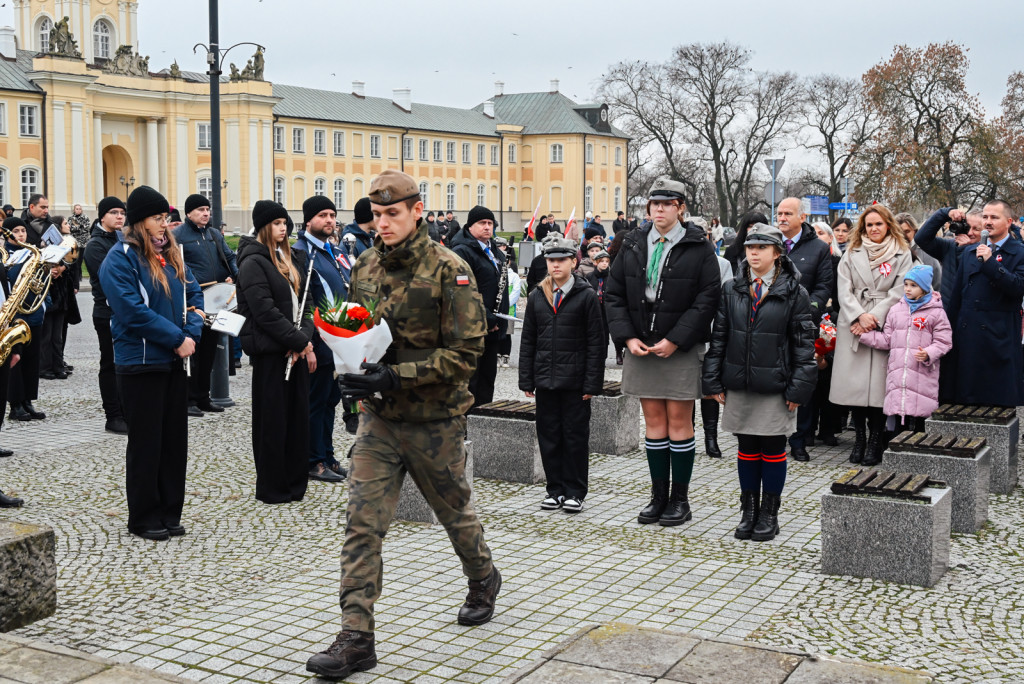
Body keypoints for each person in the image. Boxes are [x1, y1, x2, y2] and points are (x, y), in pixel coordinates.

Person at [307, 170, 499, 680]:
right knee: (362, 525)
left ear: (418, 211)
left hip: (434, 420)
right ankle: (356, 637)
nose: (383, 222)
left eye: (393, 213)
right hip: (381, 420)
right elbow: (356, 332)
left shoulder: (450, 269)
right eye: (377, 213)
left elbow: (467, 356)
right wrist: (355, 382)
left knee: (455, 515)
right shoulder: (365, 266)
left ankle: (483, 578)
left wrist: (397, 375)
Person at [605, 177, 721, 526]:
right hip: (642, 346)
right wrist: (627, 338)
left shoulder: (698, 246)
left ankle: (679, 500)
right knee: (653, 422)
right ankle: (657, 496)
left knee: (679, 422)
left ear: (680, 207)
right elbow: (613, 294)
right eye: (654, 203)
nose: (659, 209)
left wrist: (676, 339)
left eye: (667, 203)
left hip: (679, 348)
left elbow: (707, 299)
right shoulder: (633, 243)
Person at [99, 186, 203, 541]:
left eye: (166, 219)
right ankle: (144, 516)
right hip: (141, 362)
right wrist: (177, 339)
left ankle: (170, 510)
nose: (165, 226)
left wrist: (193, 330)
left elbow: (194, 295)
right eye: (158, 219)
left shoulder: (171, 253)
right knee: (147, 444)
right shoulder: (121, 258)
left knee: (174, 442)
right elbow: (132, 312)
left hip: (173, 361)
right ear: (140, 222)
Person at [702, 224, 816, 541]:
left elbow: (804, 344)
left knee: (773, 448)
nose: (753, 252)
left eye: (761, 247)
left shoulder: (795, 291)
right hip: (739, 382)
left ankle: (769, 513)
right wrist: (712, 380)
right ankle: (748, 511)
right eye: (750, 247)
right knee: (747, 448)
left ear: (777, 253)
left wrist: (799, 387)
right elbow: (719, 337)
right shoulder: (733, 289)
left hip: (776, 384)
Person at [237, 200, 317, 504]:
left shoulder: (291, 258)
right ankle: (272, 487)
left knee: (297, 421)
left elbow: (306, 305)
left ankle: (295, 483)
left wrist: (304, 340)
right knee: (272, 422)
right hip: (271, 353)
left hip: (294, 350)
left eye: (285, 222)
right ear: (263, 226)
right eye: (276, 223)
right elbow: (264, 312)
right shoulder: (252, 261)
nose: (283, 228)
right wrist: (298, 342)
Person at [519, 234, 605, 513]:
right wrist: (526, 378)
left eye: (561, 260)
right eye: (551, 260)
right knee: (549, 435)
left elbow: (596, 342)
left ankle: (575, 490)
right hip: (546, 379)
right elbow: (529, 339)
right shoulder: (537, 296)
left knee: (575, 436)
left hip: (575, 382)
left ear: (573, 262)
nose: (555, 266)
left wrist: (593, 381)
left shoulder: (586, 296)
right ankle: (554, 489)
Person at [829, 205, 913, 466]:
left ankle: (877, 438)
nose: (874, 229)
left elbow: (900, 290)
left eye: (878, 224)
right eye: (869, 225)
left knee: (878, 388)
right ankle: (860, 438)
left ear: (888, 225)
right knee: (855, 387)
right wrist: (858, 316)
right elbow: (843, 288)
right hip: (853, 323)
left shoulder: (902, 253)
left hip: (883, 323)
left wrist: (873, 317)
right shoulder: (852, 253)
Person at [858, 264, 952, 437]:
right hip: (898, 374)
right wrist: (864, 336)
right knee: (898, 413)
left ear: (924, 288)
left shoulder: (937, 312)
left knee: (920, 416)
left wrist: (929, 353)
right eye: (906, 284)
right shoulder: (896, 310)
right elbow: (888, 339)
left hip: (922, 373)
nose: (908, 289)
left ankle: (919, 448)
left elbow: (944, 341)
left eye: (913, 285)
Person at [294, 195, 350, 482]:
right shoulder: (301, 252)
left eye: (332, 215)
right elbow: (304, 301)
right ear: (309, 220)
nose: (329, 220)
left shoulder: (333, 250)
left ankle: (327, 455)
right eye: (323, 216)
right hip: (318, 339)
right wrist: (309, 342)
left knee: (330, 401)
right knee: (315, 402)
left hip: (340, 338)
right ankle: (312, 460)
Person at [947, 200, 1024, 407]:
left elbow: (1018, 288)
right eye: (986, 217)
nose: (988, 222)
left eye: (994, 217)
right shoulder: (969, 253)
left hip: (1000, 336)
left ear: (1008, 222)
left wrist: (991, 264)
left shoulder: (1019, 252)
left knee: (997, 401)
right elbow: (957, 297)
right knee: (967, 399)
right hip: (968, 336)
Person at [775, 197, 834, 463]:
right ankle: (775, 438)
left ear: (802, 217)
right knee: (775, 381)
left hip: (803, 325)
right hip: (772, 325)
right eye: (779, 213)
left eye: (788, 213)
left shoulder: (819, 248)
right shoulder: (770, 242)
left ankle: (800, 440)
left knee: (803, 381)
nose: (782, 218)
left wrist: (809, 308)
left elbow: (824, 286)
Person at [172, 194, 237, 417]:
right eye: (200, 209)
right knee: (193, 352)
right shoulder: (178, 235)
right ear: (189, 213)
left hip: (216, 302)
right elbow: (174, 266)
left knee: (210, 350)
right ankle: (188, 399)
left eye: (207, 209)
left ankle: (203, 396)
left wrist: (235, 277)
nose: (206, 213)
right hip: (192, 303)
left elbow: (229, 258)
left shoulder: (213, 234)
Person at [450, 205, 509, 407]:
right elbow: (462, 293)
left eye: (490, 223)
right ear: (470, 226)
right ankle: (466, 425)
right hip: (471, 330)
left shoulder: (495, 252)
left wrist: (499, 320)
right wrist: (487, 318)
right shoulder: (461, 251)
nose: (487, 227)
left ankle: (483, 422)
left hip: (492, 328)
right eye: (482, 223)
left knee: (487, 380)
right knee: (470, 381)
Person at [84, 197, 129, 433]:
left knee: (124, 363)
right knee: (110, 364)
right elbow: (109, 278)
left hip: (124, 311)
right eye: (114, 212)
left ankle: (125, 410)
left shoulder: (122, 238)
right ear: (102, 217)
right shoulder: (95, 245)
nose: (120, 216)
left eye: (122, 212)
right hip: (106, 312)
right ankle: (113, 415)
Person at [5, 218, 45, 422]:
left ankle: (28, 400)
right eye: (16, 231)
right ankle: (15, 404)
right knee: (15, 361)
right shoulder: (5, 254)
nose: (21, 234)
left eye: (23, 230)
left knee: (32, 360)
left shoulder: (32, 253)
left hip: (33, 313)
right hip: (14, 316)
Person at [38, 216, 74, 380]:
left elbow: (69, 264)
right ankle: (45, 367)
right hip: (47, 296)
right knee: (47, 335)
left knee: (57, 336)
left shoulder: (64, 246)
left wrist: (61, 269)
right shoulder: (42, 248)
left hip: (60, 296)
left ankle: (58, 365)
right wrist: (49, 271)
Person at [895, 213, 942, 294]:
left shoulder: (926, 252)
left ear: (915, 232)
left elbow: (937, 283)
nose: (903, 235)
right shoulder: (890, 253)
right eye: (899, 232)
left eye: (907, 231)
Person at [494, 237, 520, 368]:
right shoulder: (496, 272)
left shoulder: (514, 275)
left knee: (507, 332)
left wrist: (506, 303)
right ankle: (497, 354)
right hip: (497, 309)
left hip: (508, 308)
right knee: (497, 332)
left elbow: (516, 292)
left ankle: (506, 355)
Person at [584, 249, 612, 361]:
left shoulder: (611, 277)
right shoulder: (590, 277)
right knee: (592, 333)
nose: (604, 263)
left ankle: (603, 357)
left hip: (606, 311)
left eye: (607, 261)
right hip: (594, 310)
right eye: (602, 261)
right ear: (596, 262)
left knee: (605, 334)